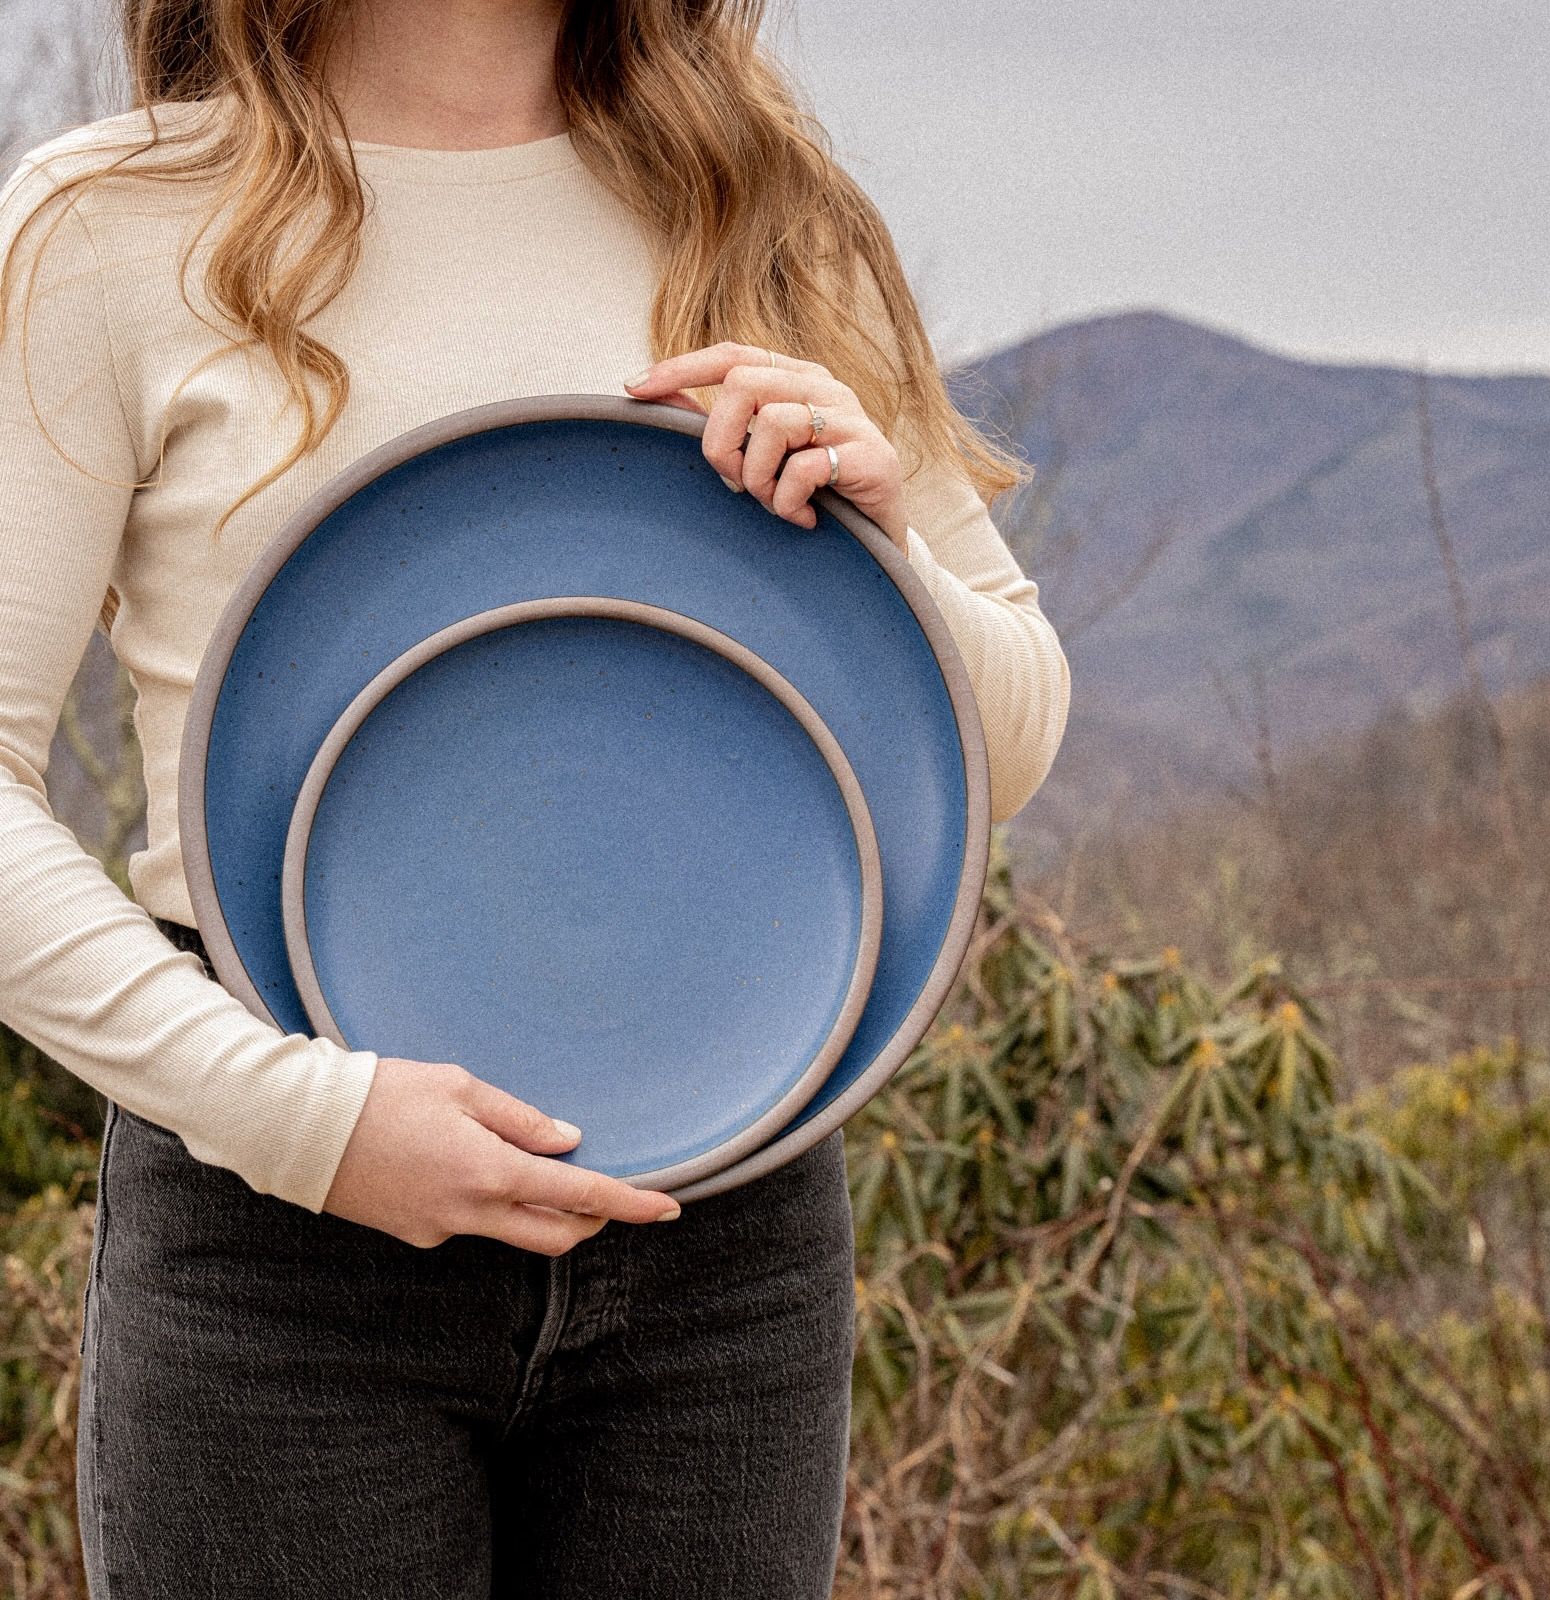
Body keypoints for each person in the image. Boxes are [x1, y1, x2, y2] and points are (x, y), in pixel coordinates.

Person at [0, 1, 1071, 1595]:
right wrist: (303, 1120)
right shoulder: (112, 224)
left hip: (730, 1235)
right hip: (278, 1237)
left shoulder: (762, 199)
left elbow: (1012, 737)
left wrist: (891, 550)